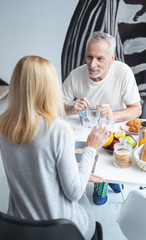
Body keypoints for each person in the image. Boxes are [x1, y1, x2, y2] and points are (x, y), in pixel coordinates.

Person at [0, 56, 110, 240]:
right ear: (49, 87)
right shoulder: (58, 129)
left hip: (19, 229)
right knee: (82, 195)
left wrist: (76, 173)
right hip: (62, 231)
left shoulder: (3, 126)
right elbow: (73, 192)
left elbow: (35, 168)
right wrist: (91, 147)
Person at [62, 31, 142, 205]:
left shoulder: (123, 72)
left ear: (112, 58)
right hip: (83, 134)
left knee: (110, 152)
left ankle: (107, 180)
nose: (92, 64)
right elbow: (52, 106)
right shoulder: (76, 75)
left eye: (100, 58)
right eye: (89, 57)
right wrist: (70, 108)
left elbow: (136, 110)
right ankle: (103, 180)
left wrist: (114, 115)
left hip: (112, 133)